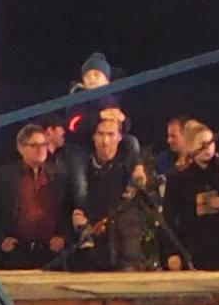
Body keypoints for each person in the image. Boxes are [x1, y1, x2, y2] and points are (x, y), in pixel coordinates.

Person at [63, 107, 159, 267]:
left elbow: (150, 200)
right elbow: (67, 206)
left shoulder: (130, 165)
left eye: (110, 134)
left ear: (120, 137)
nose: (105, 141)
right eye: (101, 134)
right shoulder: (80, 170)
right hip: (92, 257)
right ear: (93, 136)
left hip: (127, 251)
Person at [156, 117, 219, 271]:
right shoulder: (178, 178)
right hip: (191, 249)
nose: (207, 149)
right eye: (202, 144)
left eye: (210, 143)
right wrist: (171, 253)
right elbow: (168, 218)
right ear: (190, 147)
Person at [0, 117, 74, 269]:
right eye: (34, 145)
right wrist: (1, 241)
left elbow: (67, 210)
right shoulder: (5, 177)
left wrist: (63, 237)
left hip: (50, 253)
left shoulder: (58, 176)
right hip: (16, 253)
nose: (40, 149)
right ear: (20, 148)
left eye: (43, 144)